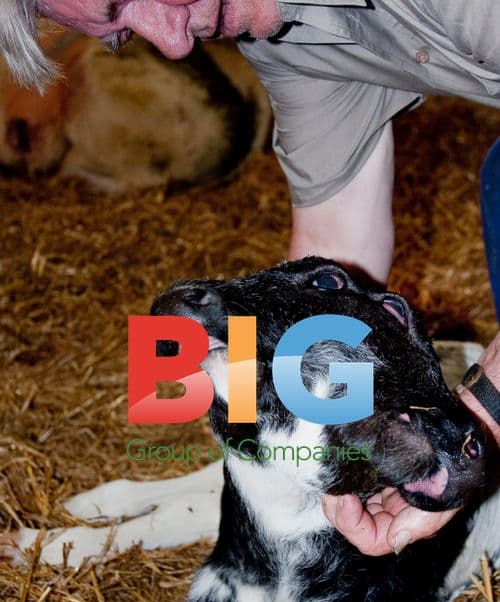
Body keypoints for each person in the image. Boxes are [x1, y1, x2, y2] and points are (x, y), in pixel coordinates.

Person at [1, 0, 499, 556]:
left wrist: (485, 413)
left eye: (126, 0)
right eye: (121, 32)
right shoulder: (286, 39)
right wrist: (278, 428)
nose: (174, 45)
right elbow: (328, 267)